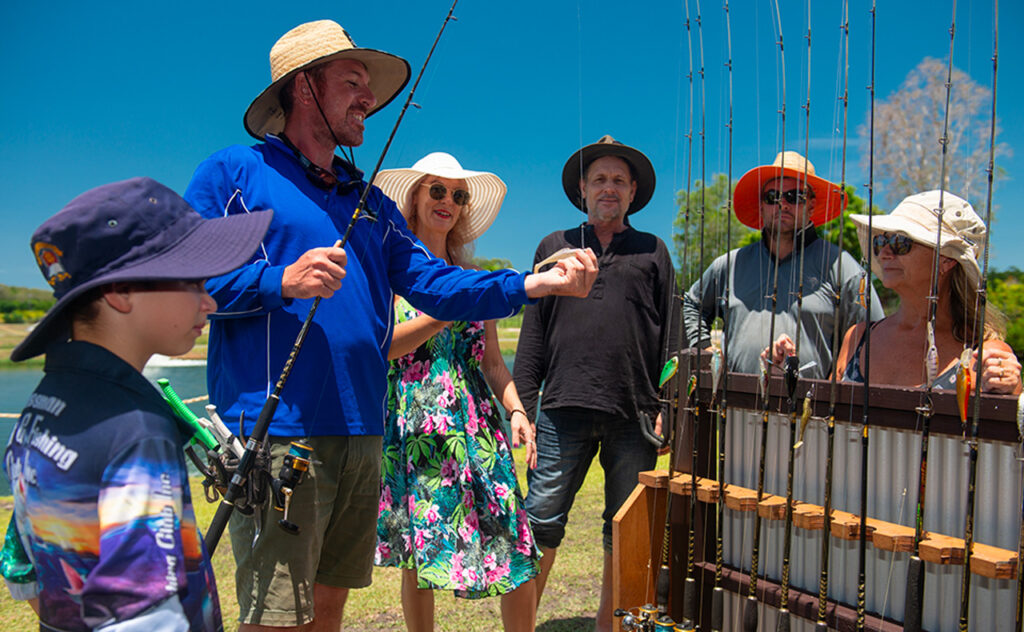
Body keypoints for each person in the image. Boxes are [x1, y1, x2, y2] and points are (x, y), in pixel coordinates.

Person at [183, 21, 597, 631]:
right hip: (280, 437)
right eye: (352, 83)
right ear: (304, 87)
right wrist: (280, 282)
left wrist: (532, 282)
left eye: (368, 87)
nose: (368, 100)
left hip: (363, 433)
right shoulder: (235, 174)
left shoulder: (369, 203)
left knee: (328, 607)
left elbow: (437, 282)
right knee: (275, 617)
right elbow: (188, 279)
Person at [3, 177, 272, 631]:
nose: (209, 301)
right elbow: (146, 618)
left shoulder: (41, 408)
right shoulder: (138, 430)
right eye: (192, 280)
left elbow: (23, 566)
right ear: (121, 291)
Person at [513, 135, 677, 631]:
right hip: (561, 409)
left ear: (632, 194)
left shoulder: (654, 252)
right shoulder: (553, 247)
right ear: (583, 189)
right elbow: (532, 339)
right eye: (600, 179)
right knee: (539, 521)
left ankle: (612, 626)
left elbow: (672, 338)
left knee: (624, 531)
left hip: (634, 414)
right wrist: (521, 408)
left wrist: (668, 401)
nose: (610, 188)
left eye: (619, 181)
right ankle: (521, 625)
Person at [373, 152, 540, 631]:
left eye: (458, 195)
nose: (448, 201)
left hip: (476, 424)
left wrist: (516, 410)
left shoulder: (472, 277)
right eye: (437, 190)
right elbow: (382, 349)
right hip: (415, 426)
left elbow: (490, 360)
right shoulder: (389, 273)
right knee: (418, 553)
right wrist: (448, 307)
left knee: (514, 536)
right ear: (416, 196)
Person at [684, 151, 884, 379]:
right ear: (762, 206)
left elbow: (873, 331)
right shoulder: (729, 264)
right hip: (735, 404)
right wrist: (705, 349)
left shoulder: (843, 266)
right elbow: (691, 304)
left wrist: (837, 380)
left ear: (811, 206)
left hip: (812, 409)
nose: (783, 204)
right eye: (772, 197)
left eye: (795, 196)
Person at [834, 190, 1021, 393]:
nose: (885, 253)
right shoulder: (857, 336)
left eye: (900, 243)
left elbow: (1012, 416)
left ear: (947, 261)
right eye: (880, 242)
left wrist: (1013, 387)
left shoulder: (984, 353)